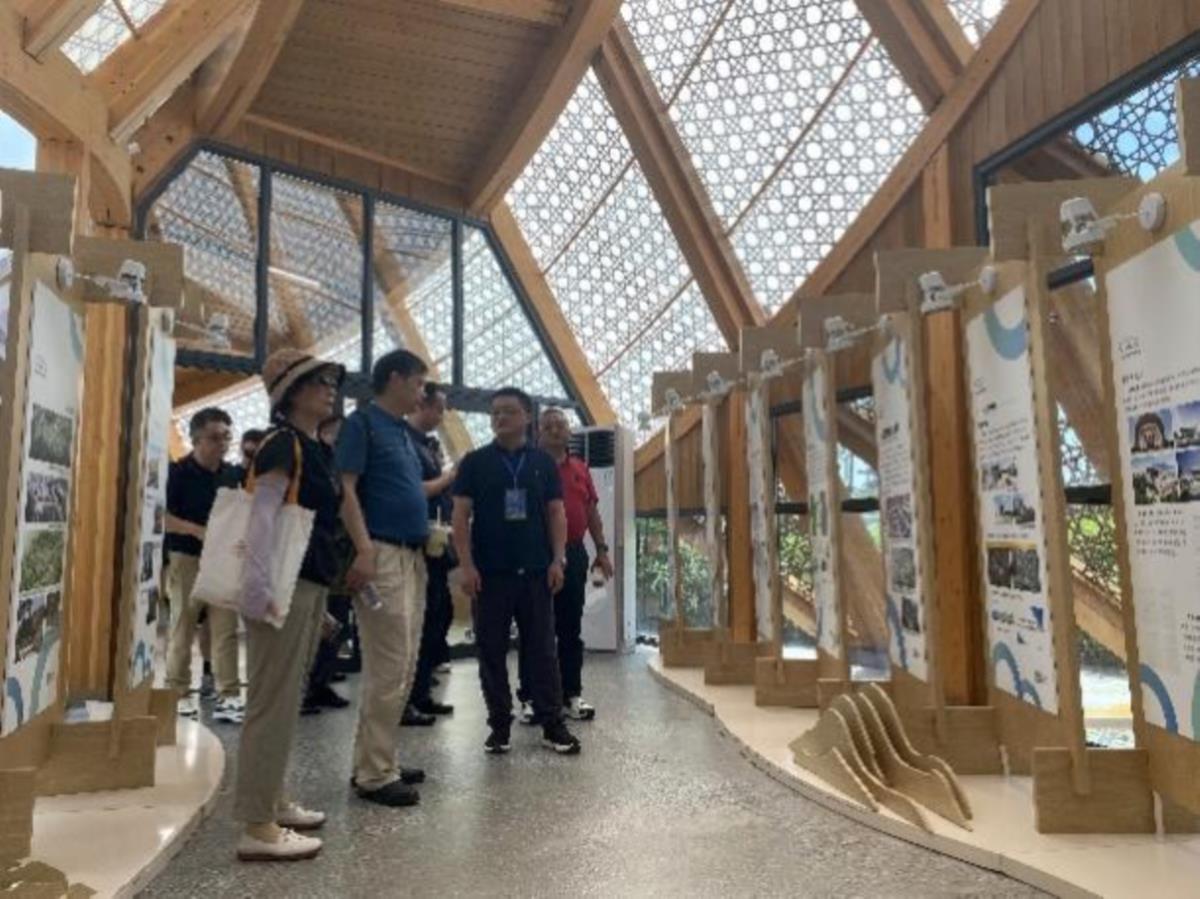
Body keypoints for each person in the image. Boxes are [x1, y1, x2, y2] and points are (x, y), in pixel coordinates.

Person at [234, 349, 345, 862]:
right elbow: (261, 517)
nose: (330, 389)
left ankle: (273, 801)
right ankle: (257, 824)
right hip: (282, 585)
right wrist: (258, 588)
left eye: (331, 381)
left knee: (284, 700)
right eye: (319, 381)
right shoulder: (282, 443)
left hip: (306, 582)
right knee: (271, 704)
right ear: (292, 392)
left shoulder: (312, 446)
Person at [451, 387, 580, 756]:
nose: (500, 418)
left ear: (527, 417)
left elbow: (556, 513)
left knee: (542, 651)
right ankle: (499, 725)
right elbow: (460, 516)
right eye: (495, 412)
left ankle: (552, 724)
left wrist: (558, 559)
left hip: (536, 572)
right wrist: (466, 566)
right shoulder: (474, 462)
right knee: (491, 651)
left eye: (508, 411)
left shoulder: (542, 463)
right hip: (489, 575)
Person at [336, 349, 431, 808]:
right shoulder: (363, 424)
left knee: (404, 664)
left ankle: (378, 758)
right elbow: (345, 489)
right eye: (418, 383)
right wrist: (364, 550)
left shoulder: (403, 432)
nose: (422, 393)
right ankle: (375, 774)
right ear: (395, 379)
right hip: (382, 554)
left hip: (412, 556)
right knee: (389, 665)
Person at [517, 407, 613, 723]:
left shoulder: (581, 469)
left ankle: (571, 695)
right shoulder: (525, 467)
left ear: (569, 431)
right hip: (535, 555)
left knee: (570, 627)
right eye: (549, 426)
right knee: (535, 628)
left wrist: (601, 550)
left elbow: (591, 512)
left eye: (561, 425)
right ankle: (531, 697)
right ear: (538, 432)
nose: (556, 430)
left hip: (574, 553)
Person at [164, 407, 243, 723]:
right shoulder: (177, 473)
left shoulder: (233, 475)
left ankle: (229, 696)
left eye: (226, 437)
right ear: (196, 439)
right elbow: (162, 517)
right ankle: (178, 694)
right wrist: (198, 531)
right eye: (214, 437)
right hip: (187, 557)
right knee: (183, 627)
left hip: (224, 559)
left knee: (226, 630)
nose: (222, 444)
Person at [405, 383, 457, 720]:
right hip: (416, 544)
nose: (441, 416)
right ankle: (409, 696)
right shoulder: (406, 443)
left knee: (438, 615)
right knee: (422, 621)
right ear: (421, 405)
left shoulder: (425, 445)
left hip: (435, 543)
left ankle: (421, 692)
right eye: (438, 409)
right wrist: (450, 476)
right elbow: (416, 490)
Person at [301, 415, 352, 716]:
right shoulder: (317, 462)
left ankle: (320, 682)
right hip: (323, 557)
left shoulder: (340, 465)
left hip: (343, 559)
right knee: (321, 623)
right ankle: (306, 686)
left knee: (337, 624)